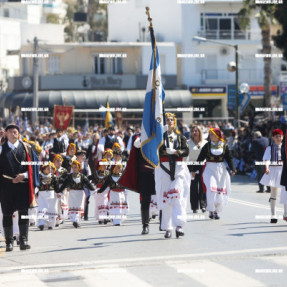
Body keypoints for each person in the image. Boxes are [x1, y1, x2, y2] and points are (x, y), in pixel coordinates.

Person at [0, 124, 38, 251]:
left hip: (22, 186)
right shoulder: (1, 148)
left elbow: (32, 167)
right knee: (7, 214)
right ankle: (9, 242)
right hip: (6, 187)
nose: (13, 134)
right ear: (5, 133)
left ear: (19, 133)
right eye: (10, 132)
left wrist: (24, 175)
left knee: (23, 213)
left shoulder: (26, 148)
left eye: (15, 132)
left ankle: (23, 240)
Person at [155, 113, 190, 239]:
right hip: (164, 169)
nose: (169, 122)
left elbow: (186, 151)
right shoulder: (160, 138)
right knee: (166, 200)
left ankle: (179, 225)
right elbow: (154, 149)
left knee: (177, 197)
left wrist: (175, 152)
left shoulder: (181, 138)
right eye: (167, 120)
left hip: (178, 170)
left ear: (174, 122)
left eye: (171, 120)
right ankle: (167, 227)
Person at [191, 128, 236, 220]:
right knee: (212, 189)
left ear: (217, 136)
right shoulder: (207, 146)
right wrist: (194, 170)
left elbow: (229, 158)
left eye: (212, 134)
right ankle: (211, 210)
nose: (210, 136)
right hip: (209, 168)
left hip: (221, 169)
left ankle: (216, 211)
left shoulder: (224, 146)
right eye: (210, 134)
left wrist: (233, 169)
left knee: (219, 191)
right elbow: (200, 158)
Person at [120, 132, 156, 235]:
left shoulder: (159, 136)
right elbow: (136, 145)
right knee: (145, 200)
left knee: (163, 199)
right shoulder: (139, 139)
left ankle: (164, 223)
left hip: (158, 173)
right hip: (144, 174)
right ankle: (145, 225)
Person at [58, 160, 95, 228]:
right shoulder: (69, 176)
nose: (74, 169)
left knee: (79, 207)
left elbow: (88, 184)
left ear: (79, 168)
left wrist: (93, 190)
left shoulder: (83, 176)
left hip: (80, 194)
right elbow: (64, 185)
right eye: (73, 167)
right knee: (73, 208)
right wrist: (59, 191)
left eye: (76, 167)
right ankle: (74, 220)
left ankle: (77, 221)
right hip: (72, 194)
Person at [260, 129, 284, 224]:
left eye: (280, 136)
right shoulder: (269, 148)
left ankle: (285, 214)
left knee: (284, 193)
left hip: (283, 170)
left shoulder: (284, 147)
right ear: (273, 138)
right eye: (277, 136)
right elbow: (266, 159)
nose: (279, 138)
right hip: (273, 170)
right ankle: (273, 215)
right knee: (273, 192)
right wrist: (266, 167)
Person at [186, 125, 208, 213]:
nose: (194, 133)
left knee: (203, 186)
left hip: (202, 165)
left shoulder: (205, 143)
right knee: (193, 187)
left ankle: (203, 205)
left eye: (196, 131)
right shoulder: (188, 142)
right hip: (192, 165)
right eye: (193, 131)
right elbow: (186, 156)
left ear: (200, 132)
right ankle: (194, 207)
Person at [37, 163, 60, 230]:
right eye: (48, 168)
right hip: (41, 194)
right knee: (42, 208)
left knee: (51, 208)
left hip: (51, 194)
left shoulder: (53, 177)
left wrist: (58, 192)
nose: (50, 169)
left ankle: (51, 224)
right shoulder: (39, 176)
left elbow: (56, 186)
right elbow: (36, 185)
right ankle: (41, 223)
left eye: (50, 168)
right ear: (43, 169)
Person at [89, 159, 110, 224]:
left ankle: (104, 217)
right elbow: (87, 178)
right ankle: (100, 218)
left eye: (106, 165)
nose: (105, 166)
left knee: (105, 203)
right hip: (98, 191)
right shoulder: (95, 174)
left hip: (106, 190)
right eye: (103, 165)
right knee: (99, 204)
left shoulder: (108, 173)